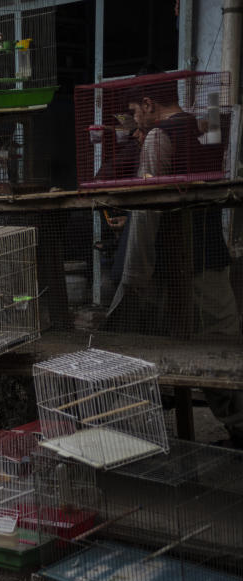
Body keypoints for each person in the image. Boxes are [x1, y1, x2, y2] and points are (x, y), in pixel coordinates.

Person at [105, 73, 243, 444]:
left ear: (149, 105)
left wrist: (136, 271)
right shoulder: (207, 131)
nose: (135, 121)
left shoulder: (159, 136)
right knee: (223, 345)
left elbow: (149, 208)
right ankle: (234, 426)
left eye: (134, 111)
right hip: (210, 252)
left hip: (176, 263)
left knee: (183, 348)